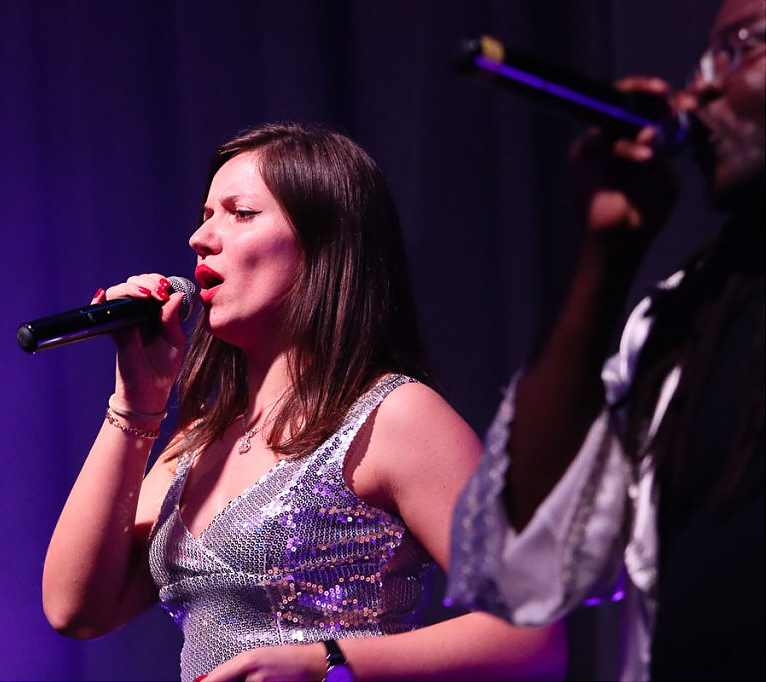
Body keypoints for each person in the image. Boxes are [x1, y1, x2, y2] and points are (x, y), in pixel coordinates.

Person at [42, 122, 567, 681]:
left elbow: (533, 636)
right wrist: (136, 402)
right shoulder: (196, 444)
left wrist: (326, 663)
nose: (200, 237)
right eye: (205, 214)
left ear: (323, 243)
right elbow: (76, 609)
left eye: (241, 213)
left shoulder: (394, 416)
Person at [446, 1, 765, 680]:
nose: (699, 89)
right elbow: (526, 569)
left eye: (740, 48)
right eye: (703, 62)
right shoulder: (683, 320)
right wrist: (605, 250)